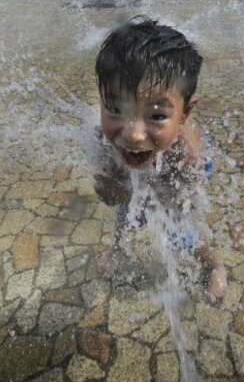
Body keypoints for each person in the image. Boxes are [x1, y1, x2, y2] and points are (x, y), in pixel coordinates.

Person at [93, 16, 228, 300]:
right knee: (125, 214)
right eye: (115, 109)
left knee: (181, 231)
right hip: (149, 163)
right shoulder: (103, 137)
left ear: (185, 113)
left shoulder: (188, 155)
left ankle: (215, 265)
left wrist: (143, 193)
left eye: (156, 116)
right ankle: (117, 248)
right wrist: (110, 186)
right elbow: (110, 192)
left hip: (178, 178)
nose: (133, 134)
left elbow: (183, 200)